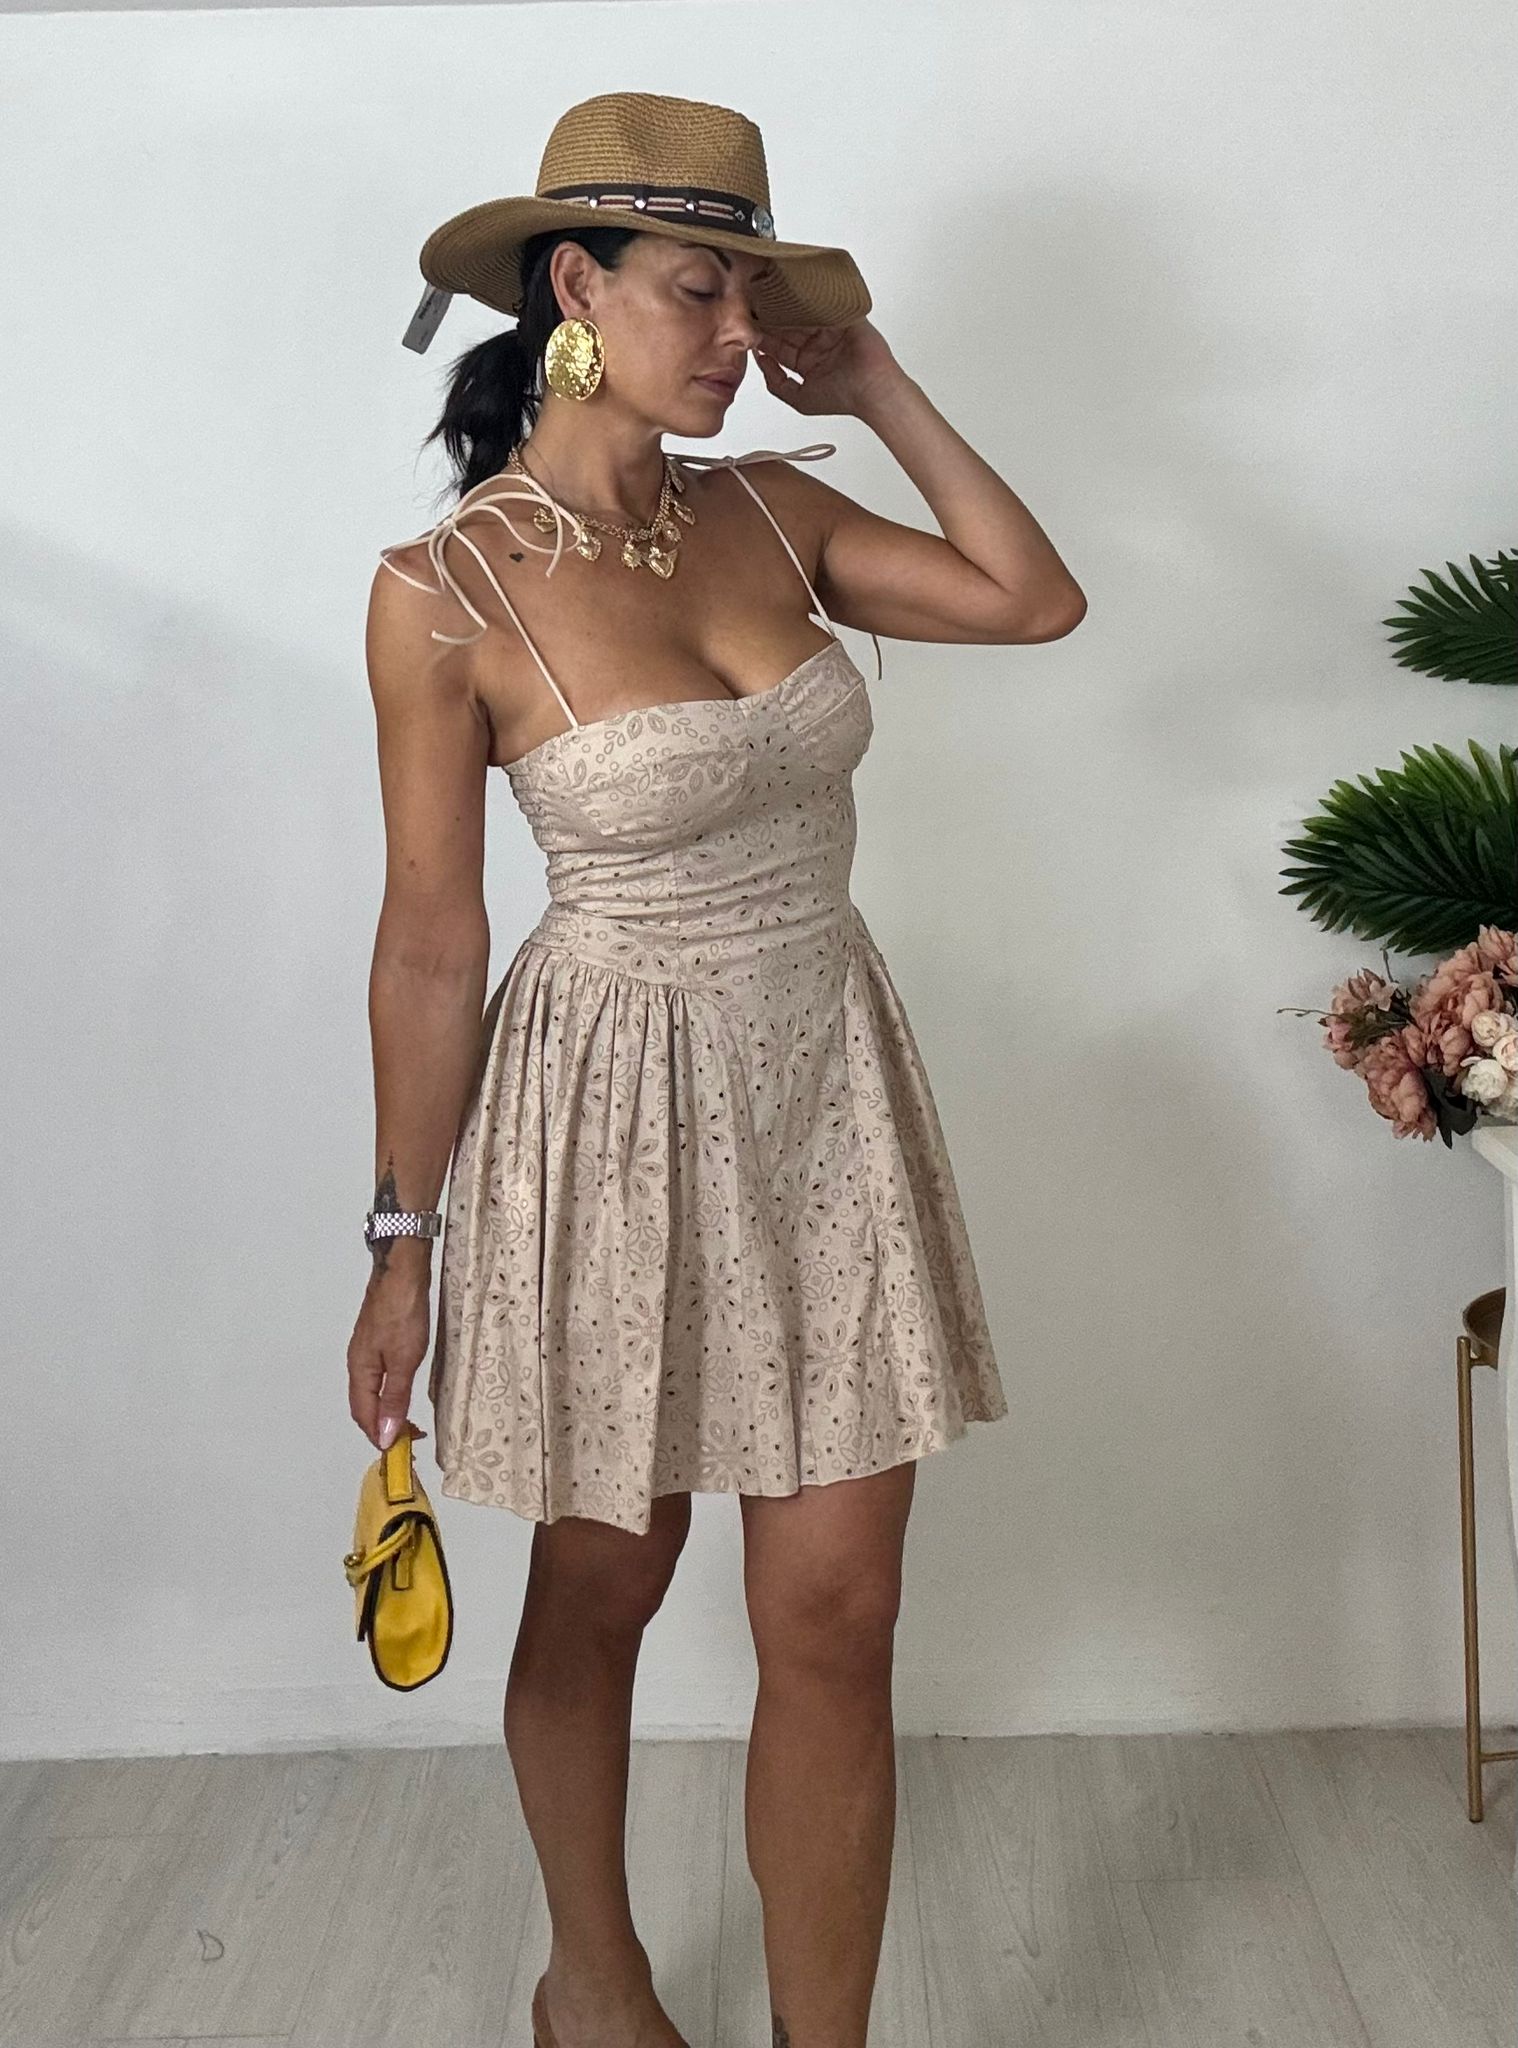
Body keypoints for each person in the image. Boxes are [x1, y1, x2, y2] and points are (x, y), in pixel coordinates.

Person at [349, 91, 1085, 2048]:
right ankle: (591, 1985)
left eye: (755, 296)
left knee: (840, 1615)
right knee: (606, 1579)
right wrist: (401, 1245)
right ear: (575, 289)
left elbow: (1032, 598)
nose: (739, 335)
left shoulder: (769, 509)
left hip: (823, 1080)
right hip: (605, 1110)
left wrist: (879, 384)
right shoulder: (447, 592)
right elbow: (430, 940)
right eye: (701, 291)